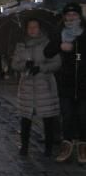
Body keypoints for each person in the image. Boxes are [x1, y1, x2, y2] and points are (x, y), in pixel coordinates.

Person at [11, 18, 61, 157]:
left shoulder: (47, 44)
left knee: (48, 119)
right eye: (30, 27)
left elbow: (56, 63)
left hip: (45, 86)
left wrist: (41, 68)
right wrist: (24, 66)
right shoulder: (21, 45)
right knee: (25, 119)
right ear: (26, 29)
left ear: (40, 28)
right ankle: (24, 147)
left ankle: (48, 148)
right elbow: (15, 64)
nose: (32, 29)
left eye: (35, 27)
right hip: (27, 86)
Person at [44, 2, 86, 163]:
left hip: (83, 82)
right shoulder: (58, 32)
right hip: (65, 82)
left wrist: (75, 45)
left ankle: (83, 145)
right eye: (68, 15)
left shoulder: (84, 33)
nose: (71, 18)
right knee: (67, 115)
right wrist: (60, 46)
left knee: (83, 116)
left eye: (74, 15)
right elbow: (48, 52)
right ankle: (67, 144)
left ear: (79, 16)